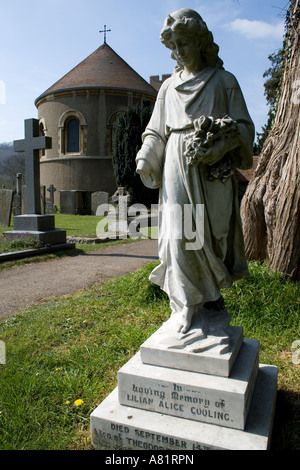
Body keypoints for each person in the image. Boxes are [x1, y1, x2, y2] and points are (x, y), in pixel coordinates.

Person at [136, 9, 254, 337]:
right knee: (178, 232)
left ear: (201, 41)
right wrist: (147, 156)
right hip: (175, 161)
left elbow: (244, 128)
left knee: (212, 233)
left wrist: (221, 143)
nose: (179, 52)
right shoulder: (168, 88)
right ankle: (186, 304)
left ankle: (212, 298)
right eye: (173, 46)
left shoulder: (224, 81)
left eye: (185, 43)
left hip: (211, 170)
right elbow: (156, 131)